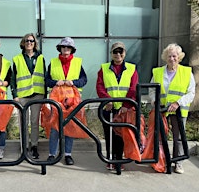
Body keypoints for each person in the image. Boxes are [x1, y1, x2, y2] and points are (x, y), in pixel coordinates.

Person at [149, 43, 196, 174]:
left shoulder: (187, 72)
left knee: (179, 137)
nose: (172, 59)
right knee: (159, 135)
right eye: (169, 56)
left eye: (174, 56)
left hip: (179, 110)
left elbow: (191, 92)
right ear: (165, 57)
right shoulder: (158, 72)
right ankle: (160, 160)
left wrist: (178, 103)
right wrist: (154, 100)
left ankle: (178, 162)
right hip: (162, 109)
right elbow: (152, 89)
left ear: (179, 57)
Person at [96, 41, 138, 170]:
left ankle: (119, 159)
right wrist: (107, 100)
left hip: (124, 109)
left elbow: (133, 88)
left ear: (124, 53)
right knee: (109, 135)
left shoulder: (132, 69)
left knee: (120, 135)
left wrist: (126, 104)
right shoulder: (104, 68)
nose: (118, 54)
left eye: (121, 52)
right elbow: (100, 86)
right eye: (115, 52)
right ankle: (110, 159)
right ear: (111, 54)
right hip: (108, 108)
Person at [45, 37, 87, 165]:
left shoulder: (78, 63)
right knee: (54, 128)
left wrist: (73, 82)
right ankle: (52, 154)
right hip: (56, 101)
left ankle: (68, 154)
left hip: (72, 101)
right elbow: (47, 81)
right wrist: (54, 83)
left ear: (72, 49)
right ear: (60, 48)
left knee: (70, 126)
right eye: (64, 47)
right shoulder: (53, 62)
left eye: (68, 47)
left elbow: (84, 80)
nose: (66, 50)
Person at [11, 33, 46, 159]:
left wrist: (45, 95)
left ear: (34, 43)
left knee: (34, 122)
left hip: (37, 94)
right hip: (23, 95)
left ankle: (34, 146)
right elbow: (13, 78)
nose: (29, 43)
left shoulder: (41, 58)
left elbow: (44, 76)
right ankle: (24, 147)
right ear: (23, 43)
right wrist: (14, 95)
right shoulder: (17, 59)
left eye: (31, 41)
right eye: (26, 41)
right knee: (23, 122)